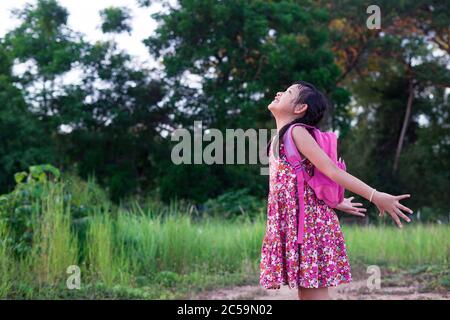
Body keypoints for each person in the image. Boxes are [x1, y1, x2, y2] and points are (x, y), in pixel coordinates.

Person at [259, 80, 413, 300]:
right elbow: (303, 181)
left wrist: (374, 195)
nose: (279, 92)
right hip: (298, 224)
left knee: (314, 297)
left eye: (288, 92)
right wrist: (336, 202)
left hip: (310, 228)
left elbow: (331, 171)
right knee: (308, 296)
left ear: (300, 108)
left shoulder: (297, 132)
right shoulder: (279, 138)